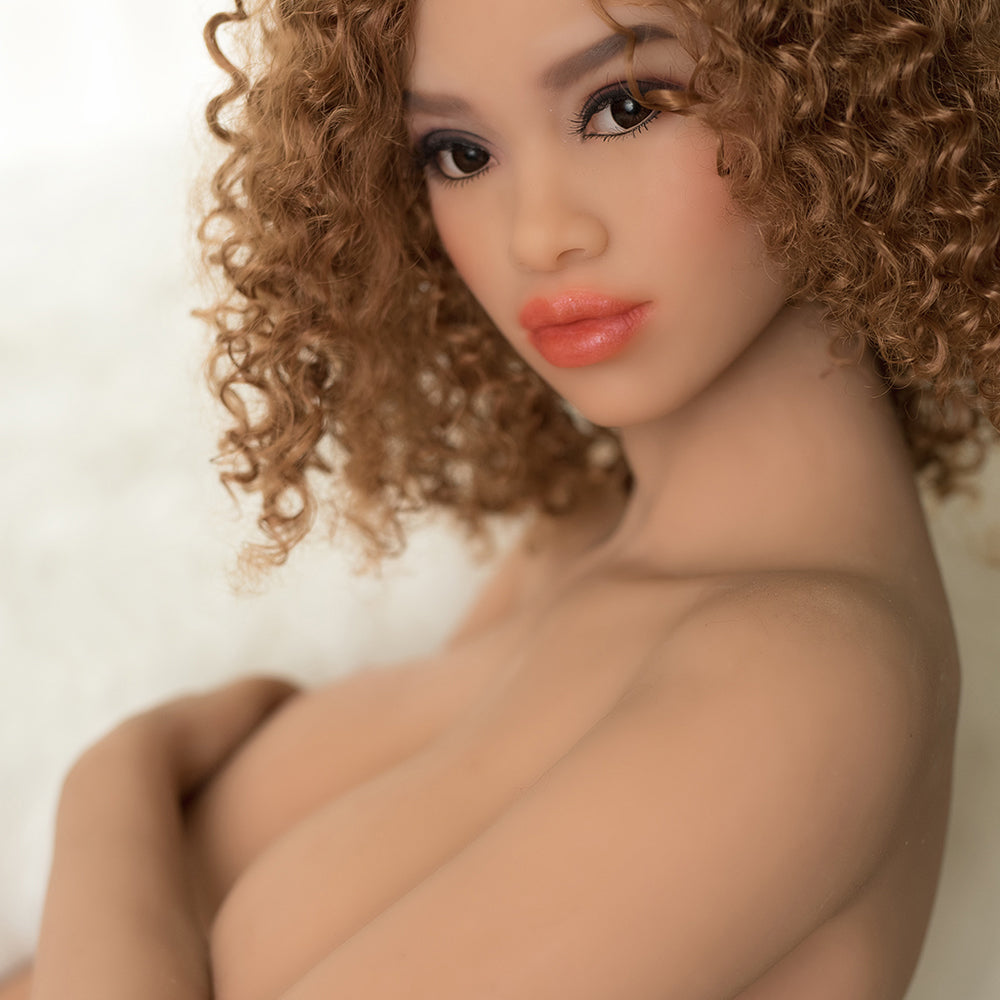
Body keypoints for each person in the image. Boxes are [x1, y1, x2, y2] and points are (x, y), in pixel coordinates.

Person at [4, 0, 998, 996]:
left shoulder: (802, 686)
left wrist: (117, 779)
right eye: (460, 154)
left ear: (839, 92)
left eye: (622, 106)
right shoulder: (573, 547)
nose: (539, 233)